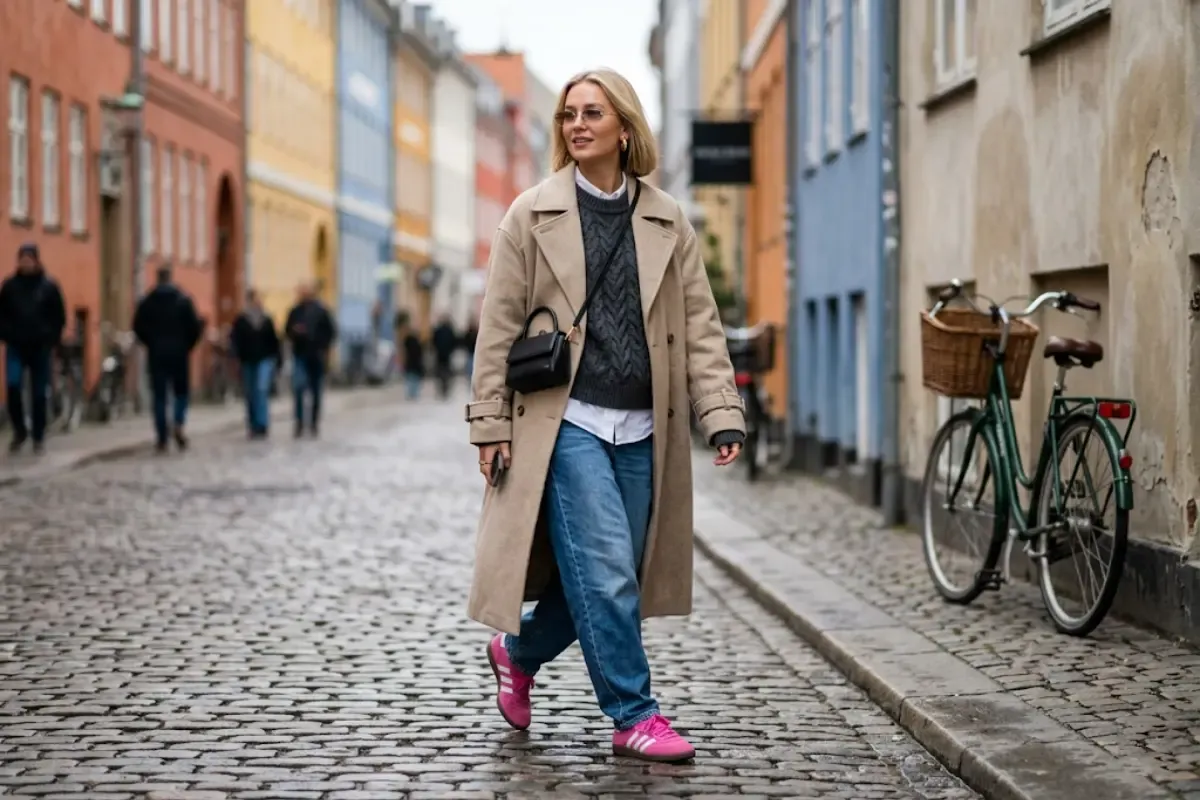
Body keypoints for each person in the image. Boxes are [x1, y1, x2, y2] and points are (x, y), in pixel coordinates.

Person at [465, 68, 745, 763]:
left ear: (624, 127)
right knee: (609, 573)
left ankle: (517, 653)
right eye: (569, 115)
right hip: (567, 424)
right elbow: (497, 328)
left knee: (603, 577)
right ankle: (634, 714)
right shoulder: (531, 214)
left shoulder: (666, 218)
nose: (577, 125)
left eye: (593, 113)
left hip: (644, 428)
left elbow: (700, 324)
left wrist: (720, 411)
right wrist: (490, 425)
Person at [0, 243, 66, 453]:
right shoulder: (10, 287)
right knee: (13, 386)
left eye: (29, 259)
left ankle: (38, 435)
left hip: (40, 348)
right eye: (23, 259)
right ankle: (19, 430)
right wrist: (6, 334)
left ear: (36, 261)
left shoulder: (48, 287)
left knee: (39, 393)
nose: (26, 263)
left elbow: (59, 317)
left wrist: (51, 339)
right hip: (16, 346)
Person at [132, 265, 203, 453]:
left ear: (157, 278)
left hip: (157, 354)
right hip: (179, 353)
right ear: (170, 278)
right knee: (181, 392)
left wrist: (150, 343)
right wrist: (187, 346)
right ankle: (178, 422)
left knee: (159, 395)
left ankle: (162, 437)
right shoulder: (183, 300)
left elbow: (138, 327)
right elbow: (195, 328)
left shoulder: (148, 302)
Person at [284, 281, 336, 437]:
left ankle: (313, 422)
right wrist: (295, 332)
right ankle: (299, 422)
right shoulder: (295, 312)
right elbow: (287, 331)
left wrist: (322, 346)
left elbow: (331, 332)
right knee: (299, 388)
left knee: (316, 391)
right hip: (300, 355)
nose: (304, 294)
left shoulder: (321, 311)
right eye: (302, 292)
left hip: (316, 356)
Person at [230, 289, 281, 439]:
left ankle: (262, 424)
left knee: (261, 390)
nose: (258, 302)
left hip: (264, 359)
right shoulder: (241, 320)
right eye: (255, 300)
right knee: (250, 393)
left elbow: (274, 341)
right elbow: (235, 340)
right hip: (247, 360)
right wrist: (236, 356)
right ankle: (252, 424)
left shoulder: (267, 319)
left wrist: (277, 359)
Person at [431, 315, 458, 400]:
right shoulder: (449, 331)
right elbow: (454, 341)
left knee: (441, 372)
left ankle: (442, 388)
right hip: (447, 355)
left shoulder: (438, 330)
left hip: (440, 355)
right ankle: (445, 388)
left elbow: (434, 341)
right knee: (446, 372)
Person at [400, 322, 425, 400]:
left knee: (410, 378)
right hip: (414, 363)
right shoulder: (415, 342)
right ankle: (413, 393)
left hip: (411, 362)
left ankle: (411, 393)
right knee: (413, 378)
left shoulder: (408, 341)